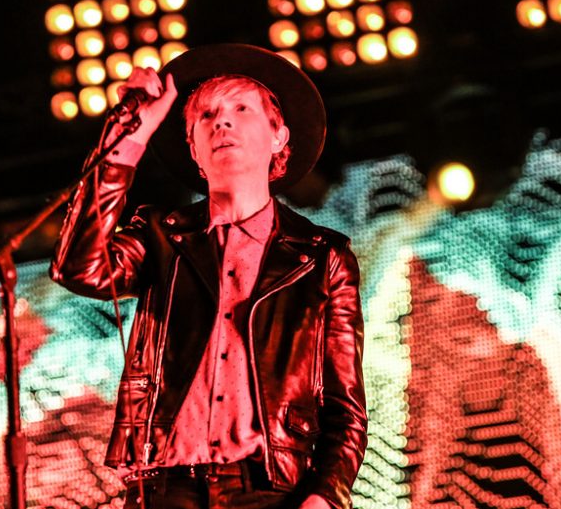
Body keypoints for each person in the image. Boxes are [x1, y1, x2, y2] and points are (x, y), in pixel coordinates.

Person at [50, 44, 367, 509]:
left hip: (271, 491)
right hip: (165, 489)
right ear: (194, 150)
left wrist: (324, 497)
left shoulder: (322, 258)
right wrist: (129, 138)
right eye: (206, 115)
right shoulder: (160, 235)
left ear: (279, 137)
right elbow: (79, 267)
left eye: (241, 109)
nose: (222, 122)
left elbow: (345, 410)